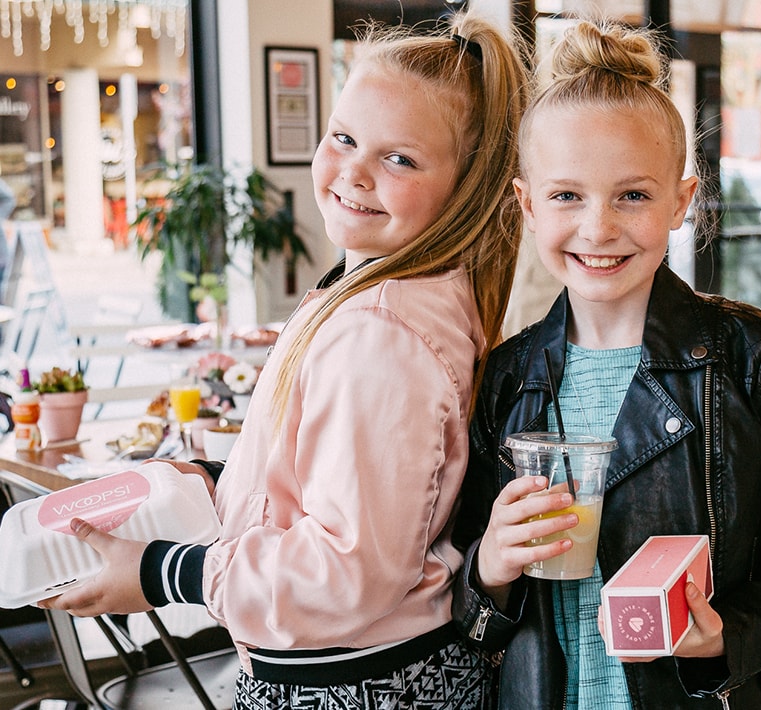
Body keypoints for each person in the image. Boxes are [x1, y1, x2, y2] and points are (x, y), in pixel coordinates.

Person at [42, 12, 527, 709]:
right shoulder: (374, 294)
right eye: (345, 138)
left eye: (400, 159)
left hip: (361, 688)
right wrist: (215, 479)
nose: (354, 172)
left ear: (466, 188)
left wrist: (162, 575)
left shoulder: (382, 331)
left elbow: (349, 570)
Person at [451, 18, 761, 710]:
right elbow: (467, 598)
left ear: (681, 200)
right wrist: (488, 567)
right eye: (567, 196)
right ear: (526, 205)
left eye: (633, 195)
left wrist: (724, 635)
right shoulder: (504, 378)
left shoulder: (748, 358)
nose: (599, 227)